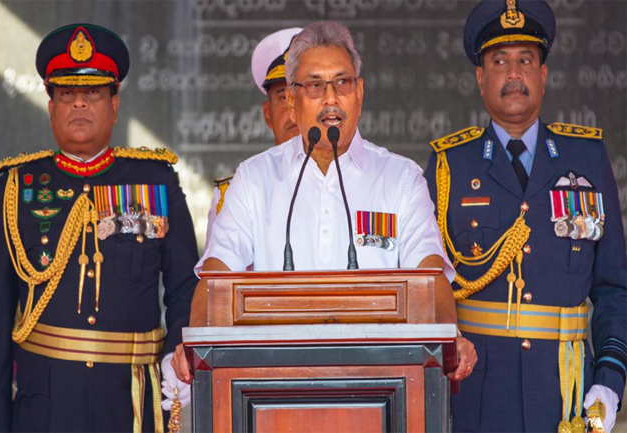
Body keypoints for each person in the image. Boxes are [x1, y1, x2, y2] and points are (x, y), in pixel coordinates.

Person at [173, 20, 477, 384]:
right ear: (291, 98)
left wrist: (449, 336)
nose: (331, 98)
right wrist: (198, 340)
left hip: (381, 382)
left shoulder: (400, 179)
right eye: (315, 85)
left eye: (342, 83)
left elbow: (429, 275)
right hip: (272, 384)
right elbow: (216, 276)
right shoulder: (254, 179)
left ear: (359, 93)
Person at [0, 23, 199, 432]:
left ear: (115, 105)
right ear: (51, 108)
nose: (79, 104)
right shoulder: (15, 187)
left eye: (93, 93)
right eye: (66, 95)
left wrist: (176, 358)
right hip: (44, 406)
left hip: (131, 403)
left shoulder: (156, 179)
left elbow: (186, 286)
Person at [424, 1, 626, 432]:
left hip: (566, 391)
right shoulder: (449, 166)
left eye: (525, 60)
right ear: (481, 79)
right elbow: (428, 286)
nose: (514, 74)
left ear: (543, 75)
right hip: (477, 394)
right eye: (499, 61)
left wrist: (609, 380)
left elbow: (613, 288)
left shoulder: (586, 158)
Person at [205, 28, 301, 247]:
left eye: (302, 95)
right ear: (268, 114)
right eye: (284, 96)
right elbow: (219, 277)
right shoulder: (235, 192)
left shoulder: (346, 182)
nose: (294, 110)